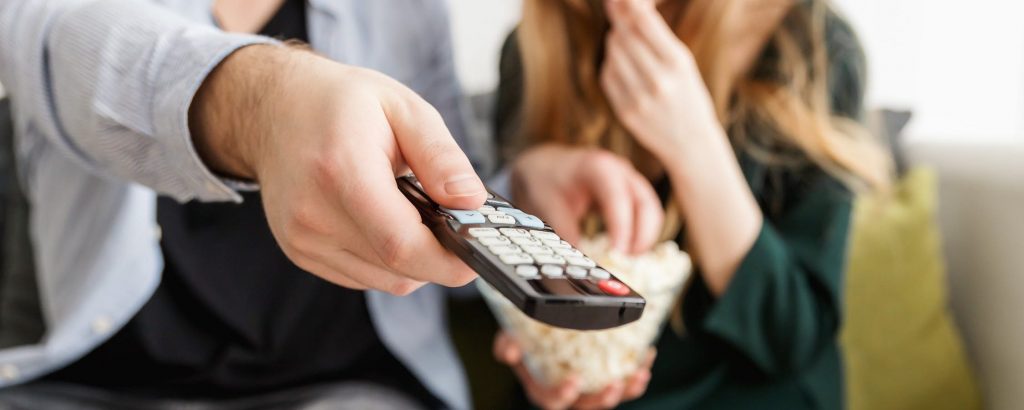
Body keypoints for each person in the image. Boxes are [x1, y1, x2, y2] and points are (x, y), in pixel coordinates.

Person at [0, 0, 491, 408]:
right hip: (99, 387)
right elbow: (59, 38)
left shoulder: (407, 10)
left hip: (343, 388)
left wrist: (532, 183)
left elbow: (458, 189)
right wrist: (265, 105)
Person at [493, 0, 891, 408]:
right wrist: (545, 358)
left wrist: (695, 146)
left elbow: (790, 337)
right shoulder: (532, 51)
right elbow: (526, 303)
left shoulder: (810, 44)